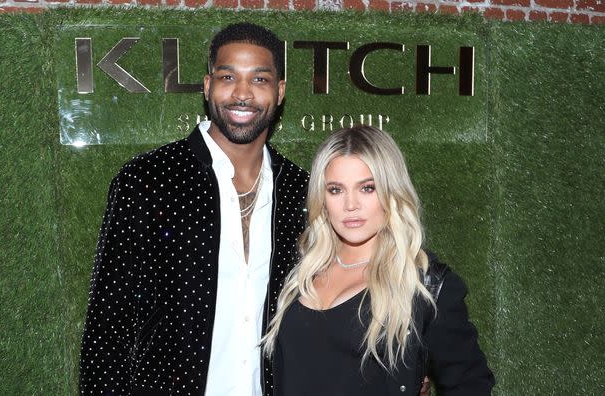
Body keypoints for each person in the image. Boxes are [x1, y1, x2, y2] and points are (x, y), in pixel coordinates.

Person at [79, 23, 309, 395]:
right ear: (207, 86)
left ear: (279, 92)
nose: (242, 93)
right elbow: (107, 329)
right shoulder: (148, 180)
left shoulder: (301, 191)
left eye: (260, 79)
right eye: (228, 76)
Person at [262, 125, 495, 395]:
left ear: (391, 192)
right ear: (321, 198)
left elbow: (471, 384)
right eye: (336, 190)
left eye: (367, 188)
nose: (351, 204)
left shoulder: (425, 285)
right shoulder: (300, 272)